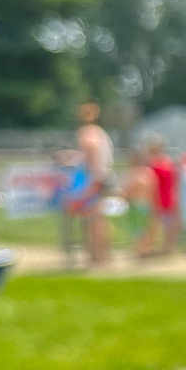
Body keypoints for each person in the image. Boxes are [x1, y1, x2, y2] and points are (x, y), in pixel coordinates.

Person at [71, 101, 114, 266]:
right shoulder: (100, 133)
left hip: (95, 178)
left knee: (93, 219)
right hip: (102, 177)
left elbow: (91, 154)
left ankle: (96, 255)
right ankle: (102, 253)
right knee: (99, 218)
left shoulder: (88, 133)